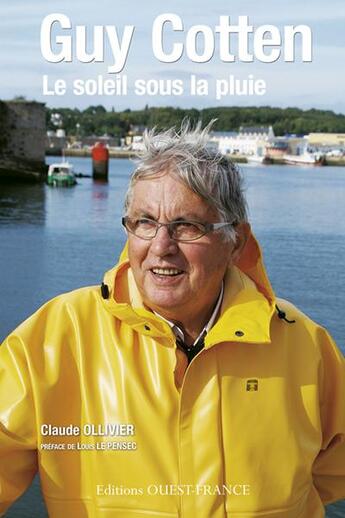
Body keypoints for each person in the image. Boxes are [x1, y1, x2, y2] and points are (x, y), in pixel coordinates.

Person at [0, 122, 344, 518]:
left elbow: (332, 474)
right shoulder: (57, 336)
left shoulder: (302, 343)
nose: (161, 247)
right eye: (144, 222)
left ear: (236, 242)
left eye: (187, 226)